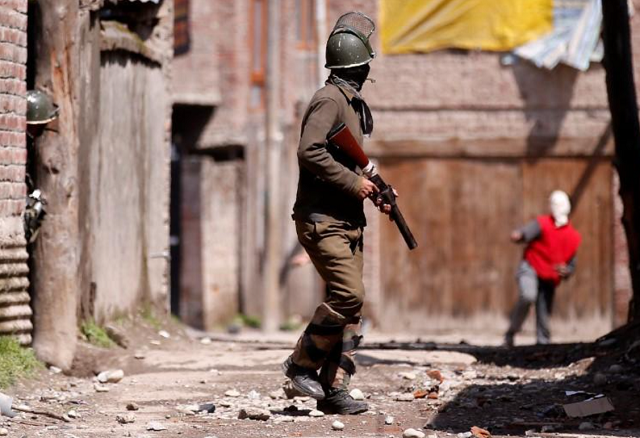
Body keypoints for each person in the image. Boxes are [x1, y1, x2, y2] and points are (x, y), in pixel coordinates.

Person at [282, 11, 389, 415]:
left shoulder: (348, 101)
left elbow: (347, 160)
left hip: (346, 222)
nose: (366, 71)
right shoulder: (329, 100)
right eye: (365, 65)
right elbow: (309, 151)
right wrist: (353, 183)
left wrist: (373, 189)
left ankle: (333, 389)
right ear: (358, 66)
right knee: (349, 295)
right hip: (321, 220)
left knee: (351, 308)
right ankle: (299, 365)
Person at [504, 190, 581, 347]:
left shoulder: (573, 236)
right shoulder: (542, 223)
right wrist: (519, 235)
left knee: (544, 311)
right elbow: (525, 233)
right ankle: (511, 332)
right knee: (528, 295)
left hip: (549, 276)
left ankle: (543, 343)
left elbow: (571, 265)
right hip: (531, 267)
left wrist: (566, 271)